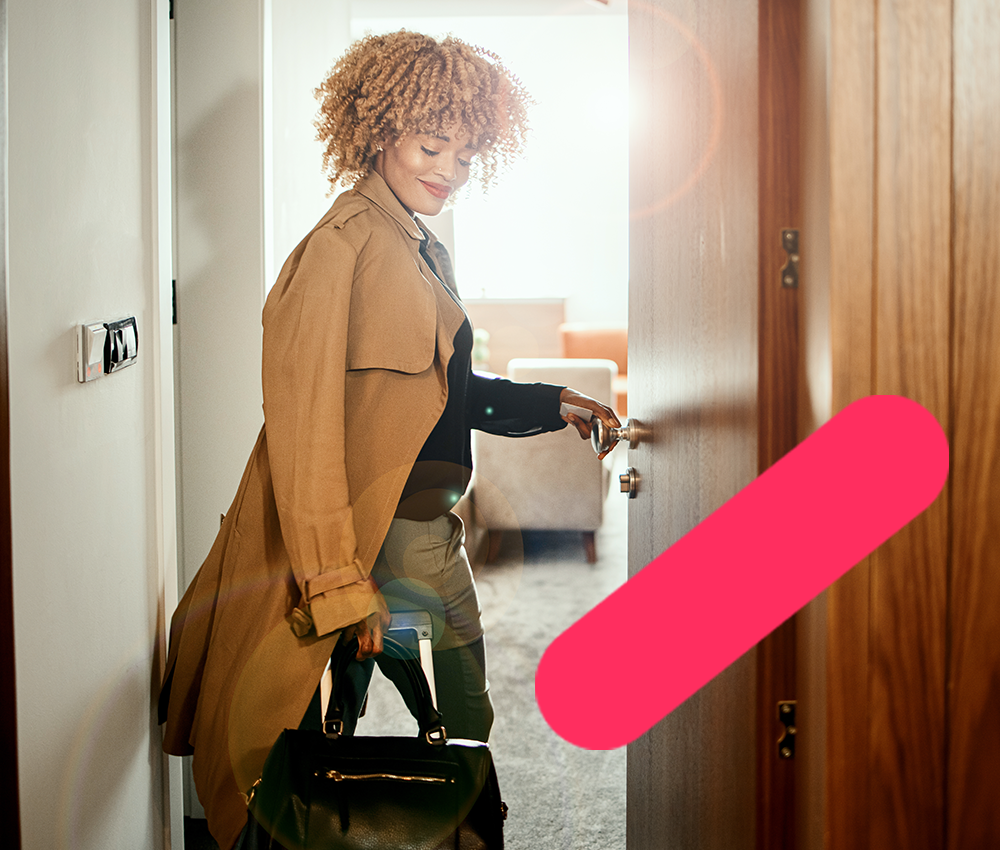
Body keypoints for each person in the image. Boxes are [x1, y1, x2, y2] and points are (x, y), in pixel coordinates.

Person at [158, 30, 619, 850]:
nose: (449, 170)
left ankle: (438, 821)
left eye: (467, 153)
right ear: (379, 132)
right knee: (299, 735)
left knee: (465, 703)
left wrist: (554, 401)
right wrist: (339, 582)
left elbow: (448, 392)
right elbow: (302, 431)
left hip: (422, 525)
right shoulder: (340, 250)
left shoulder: (415, 242)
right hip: (362, 532)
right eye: (430, 145)